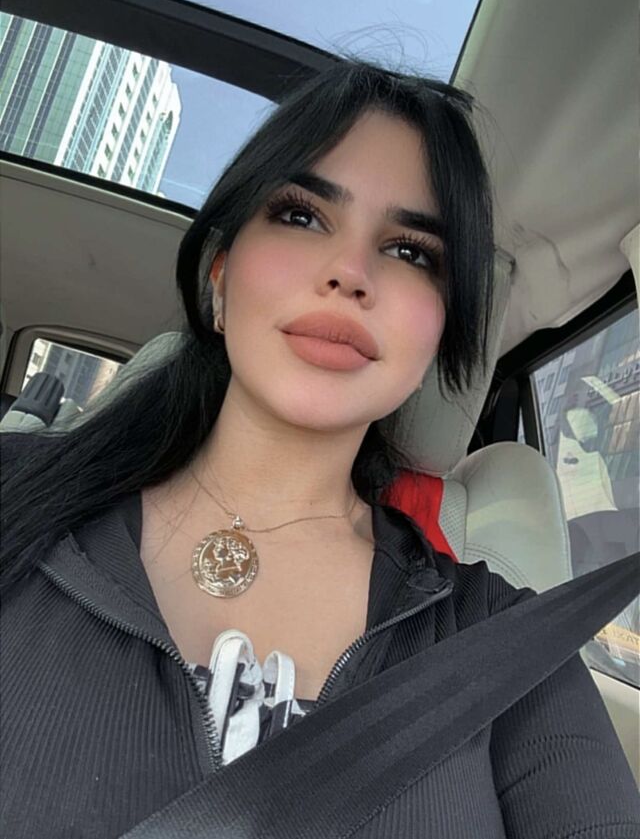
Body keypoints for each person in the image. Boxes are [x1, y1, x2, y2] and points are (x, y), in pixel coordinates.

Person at [1, 59, 638, 838]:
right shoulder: (16, 496)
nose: (349, 272)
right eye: (301, 215)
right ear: (220, 276)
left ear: (438, 335)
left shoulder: (508, 644)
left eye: (412, 252)